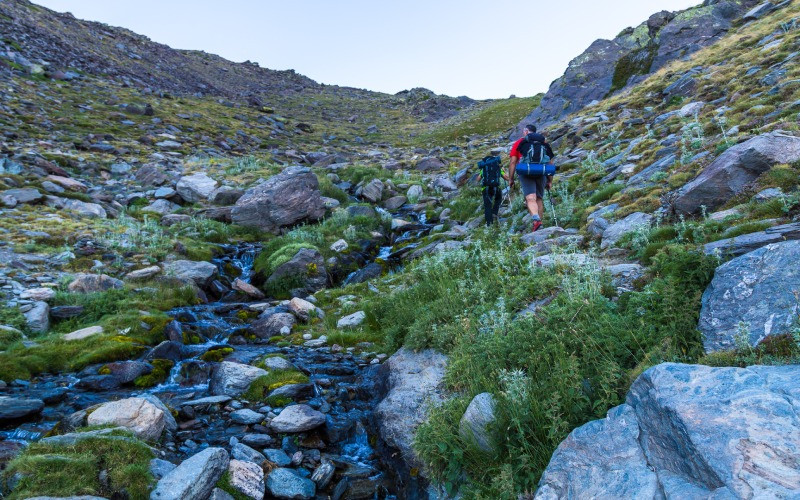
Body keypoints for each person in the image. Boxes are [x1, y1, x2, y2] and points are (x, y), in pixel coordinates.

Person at [506, 124, 556, 232]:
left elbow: (513, 162)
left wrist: (511, 179)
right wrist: (550, 180)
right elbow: (550, 162)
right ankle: (539, 226)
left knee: (530, 198)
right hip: (541, 172)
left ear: (525, 131)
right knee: (538, 198)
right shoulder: (543, 143)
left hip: (526, 173)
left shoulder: (520, 142)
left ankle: (536, 220)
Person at [477, 155, 504, 225]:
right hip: (496, 187)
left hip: (485, 188)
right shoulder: (497, 168)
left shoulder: (484, 169)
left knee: (487, 206)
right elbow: (506, 177)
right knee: (499, 198)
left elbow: (478, 179)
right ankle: (494, 213)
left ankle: (489, 224)